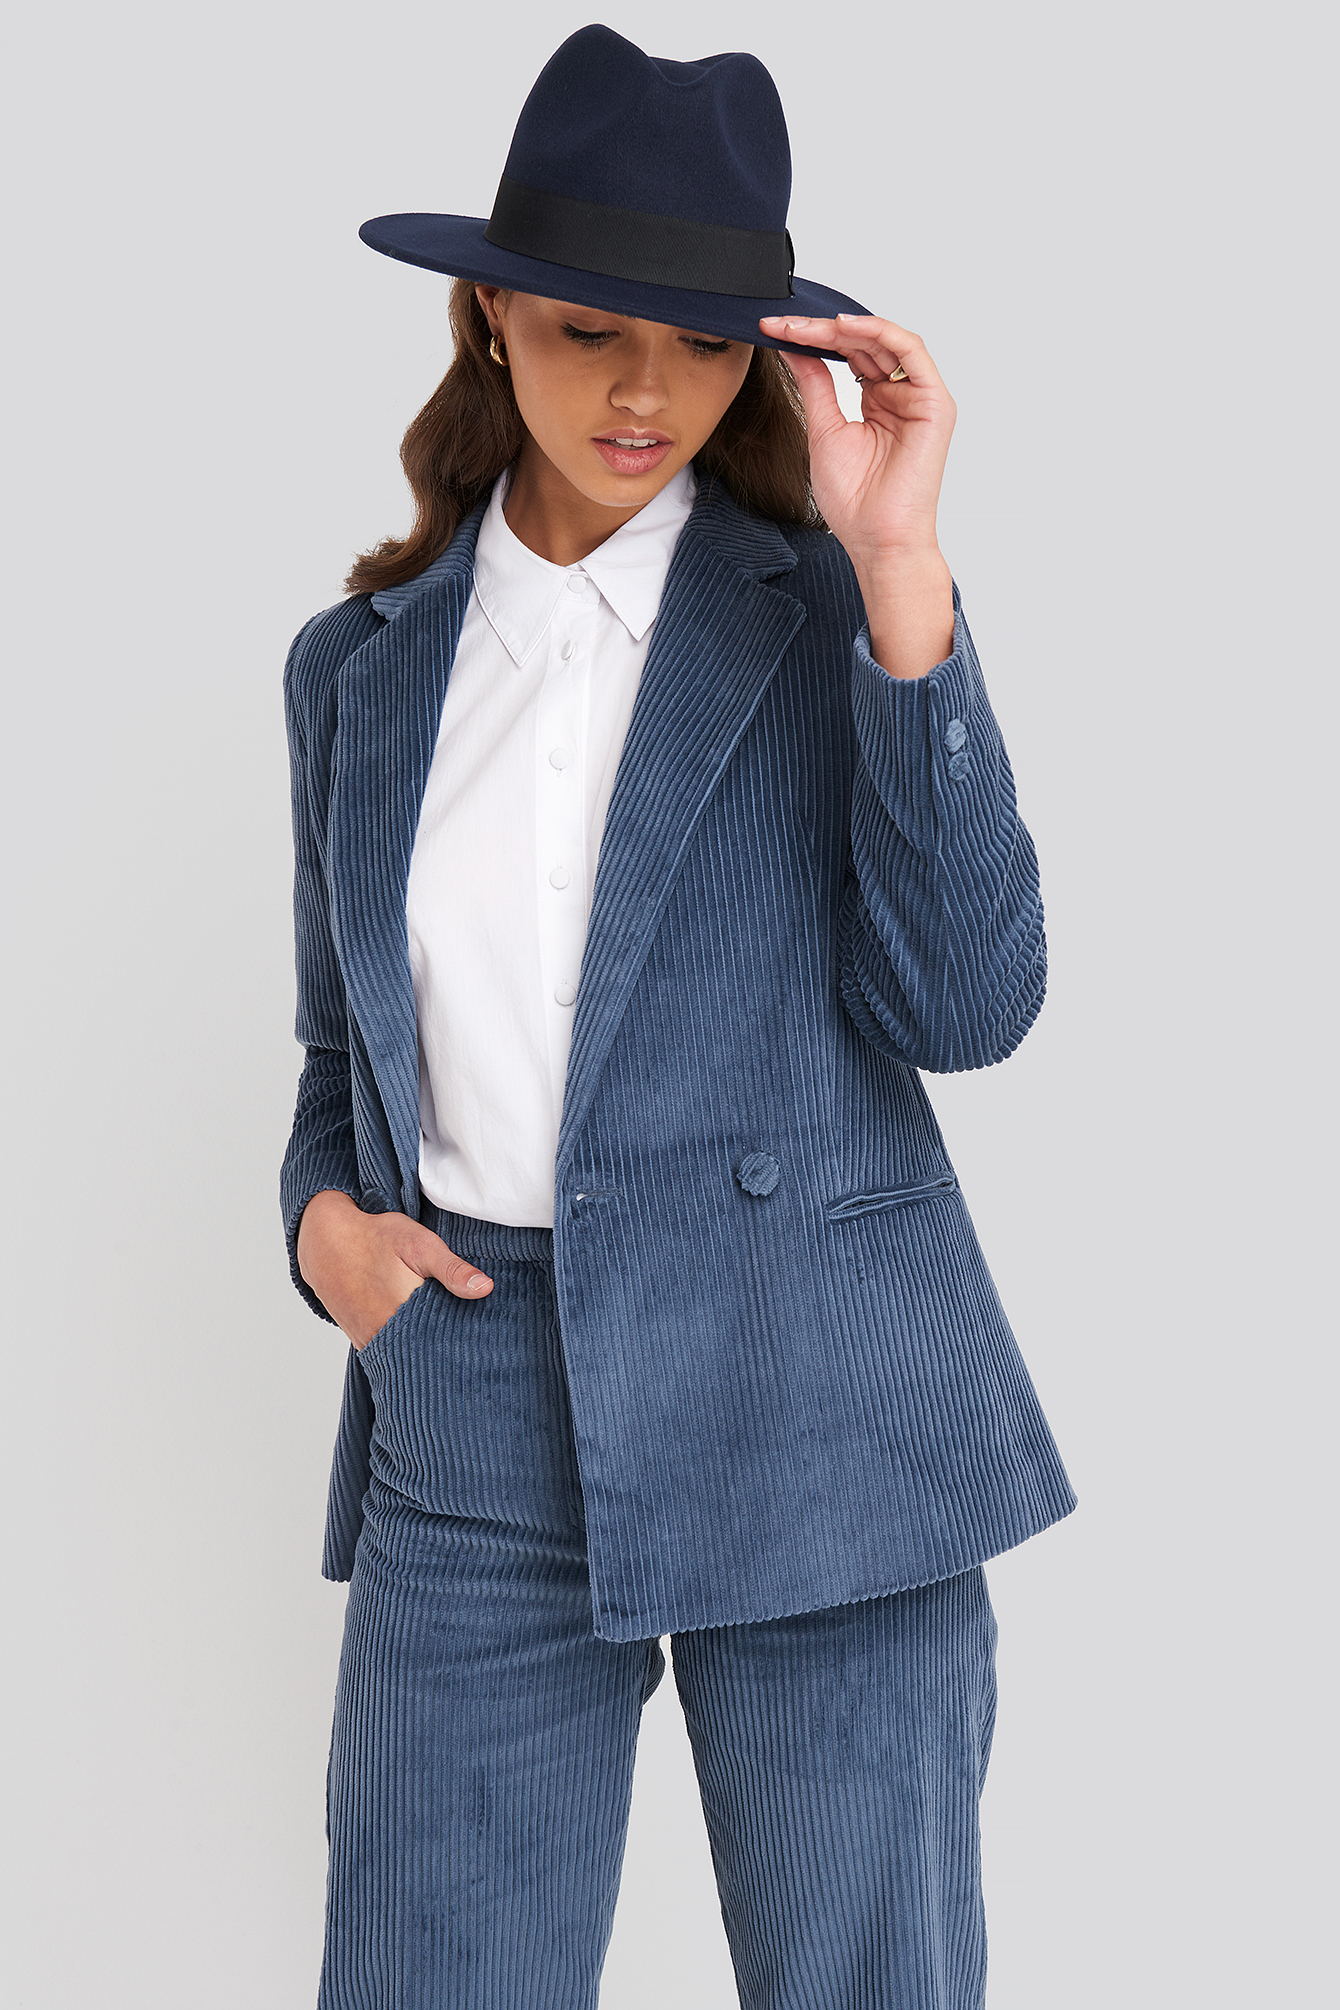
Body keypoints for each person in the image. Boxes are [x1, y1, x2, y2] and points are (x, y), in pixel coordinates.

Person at [280, 22, 1078, 2009]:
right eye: (585, 330)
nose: (644, 393)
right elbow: (338, 1058)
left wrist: (899, 564)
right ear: (488, 315)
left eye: (703, 344)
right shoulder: (355, 670)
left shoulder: (831, 619)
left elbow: (970, 1005)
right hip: (472, 1396)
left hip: (818, 1391)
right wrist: (322, 1234)